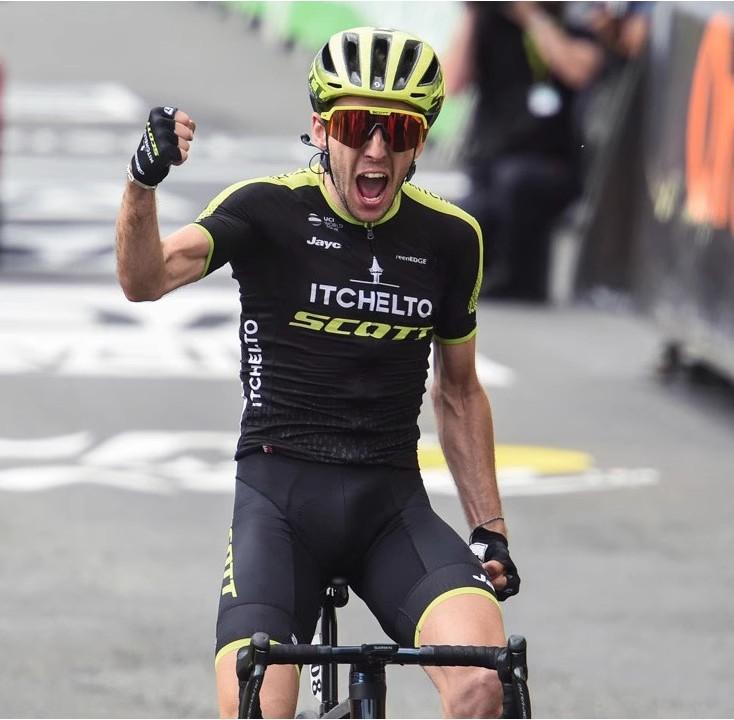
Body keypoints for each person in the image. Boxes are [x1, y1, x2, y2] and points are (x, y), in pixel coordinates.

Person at [116, 26, 520, 719]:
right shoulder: (265, 209)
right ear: (321, 129)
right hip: (279, 502)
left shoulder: (452, 237)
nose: (377, 150)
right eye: (358, 127)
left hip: (391, 507)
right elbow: (143, 279)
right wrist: (142, 182)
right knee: (257, 706)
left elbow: (458, 392)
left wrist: (491, 530)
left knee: (486, 681)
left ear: (420, 143)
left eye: (398, 131)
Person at [444, 2, 605, 301]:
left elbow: (579, 71)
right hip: (490, 162)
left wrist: (532, 17)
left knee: (516, 182)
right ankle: (479, 280)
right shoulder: (489, 24)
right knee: (469, 213)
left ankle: (518, 281)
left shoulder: (569, 24)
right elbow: (452, 83)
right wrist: (472, 12)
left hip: (550, 162)